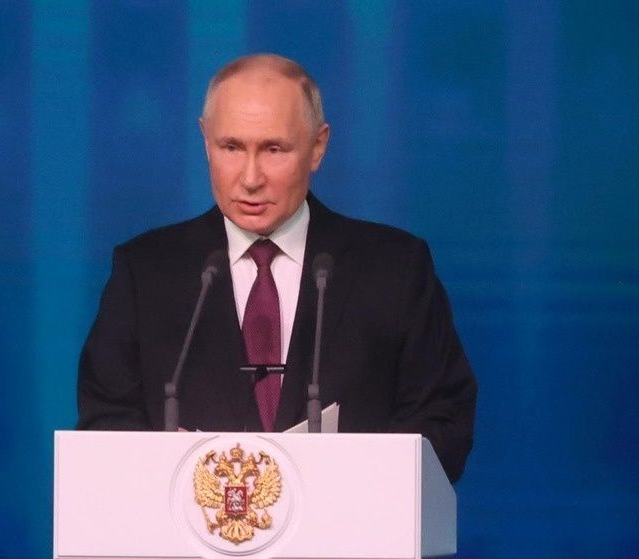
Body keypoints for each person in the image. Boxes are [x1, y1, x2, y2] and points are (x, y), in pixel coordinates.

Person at [77, 54, 477, 482]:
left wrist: (351, 486)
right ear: (205, 141)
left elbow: (441, 421)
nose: (250, 178)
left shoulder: (394, 270)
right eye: (231, 147)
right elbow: (105, 423)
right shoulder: (145, 272)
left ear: (318, 146)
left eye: (273, 149)